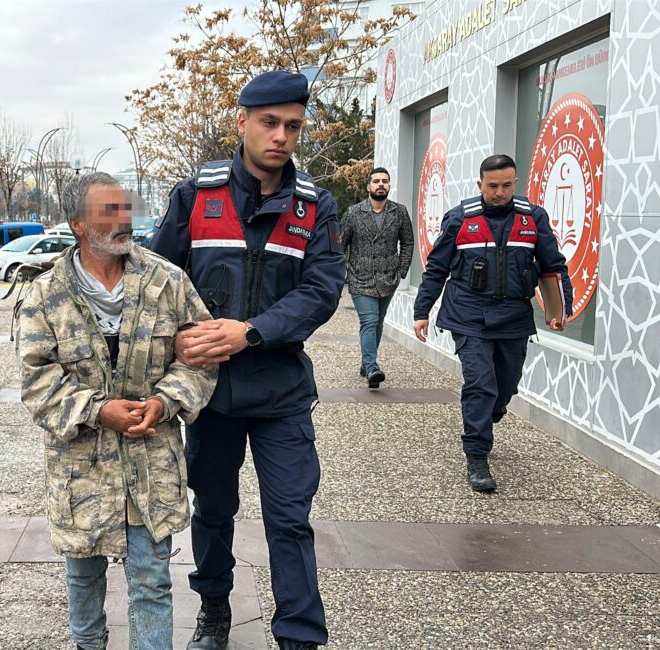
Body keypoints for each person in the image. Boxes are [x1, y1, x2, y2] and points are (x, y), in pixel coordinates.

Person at [150, 70, 344, 650]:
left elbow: (321, 291)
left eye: (292, 126)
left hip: (281, 393)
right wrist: (178, 341)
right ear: (241, 122)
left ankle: (300, 636)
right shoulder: (194, 196)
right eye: (269, 123)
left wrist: (252, 332)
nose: (281, 136)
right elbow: (158, 283)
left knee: (290, 519)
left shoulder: (316, 207)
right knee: (212, 511)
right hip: (211, 395)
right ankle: (214, 609)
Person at [18, 172, 218, 650]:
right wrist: (97, 410)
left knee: (152, 583)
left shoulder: (167, 282)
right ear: (78, 225)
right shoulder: (46, 295)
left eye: (124, 209)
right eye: (109, 211)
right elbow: (36, 381)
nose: (123, 220)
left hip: (151, 464)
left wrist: (165, 400)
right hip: (80, 473)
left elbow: (201, 357)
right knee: (83, 582)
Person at [413, 154, 573, 492]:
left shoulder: (533, 219)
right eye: (492, 186)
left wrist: (562, 308)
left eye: (506, 185)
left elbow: (553, 266)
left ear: (515, 183)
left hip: (513, 316)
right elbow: (437, 268)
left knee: (506, 385)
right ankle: (477, 455)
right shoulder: (459, 219)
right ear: (480, 185)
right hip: (467, 313)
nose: (499, 192)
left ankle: (488, 415)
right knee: (481, 383)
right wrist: (421, 310)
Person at [339, 167, 413, 388]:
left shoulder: (399, 212)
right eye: (376, 181)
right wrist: (339, 274)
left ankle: (366, 361)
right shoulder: (353, 213)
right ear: (368, 186)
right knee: (369, 321)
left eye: (385, 181)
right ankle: (372, 367)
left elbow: (407, 242)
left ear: (389, 186)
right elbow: (340, 245)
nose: (381, 184)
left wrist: (402, 269)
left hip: (388, 277)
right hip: (360, 277)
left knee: (378, 323)